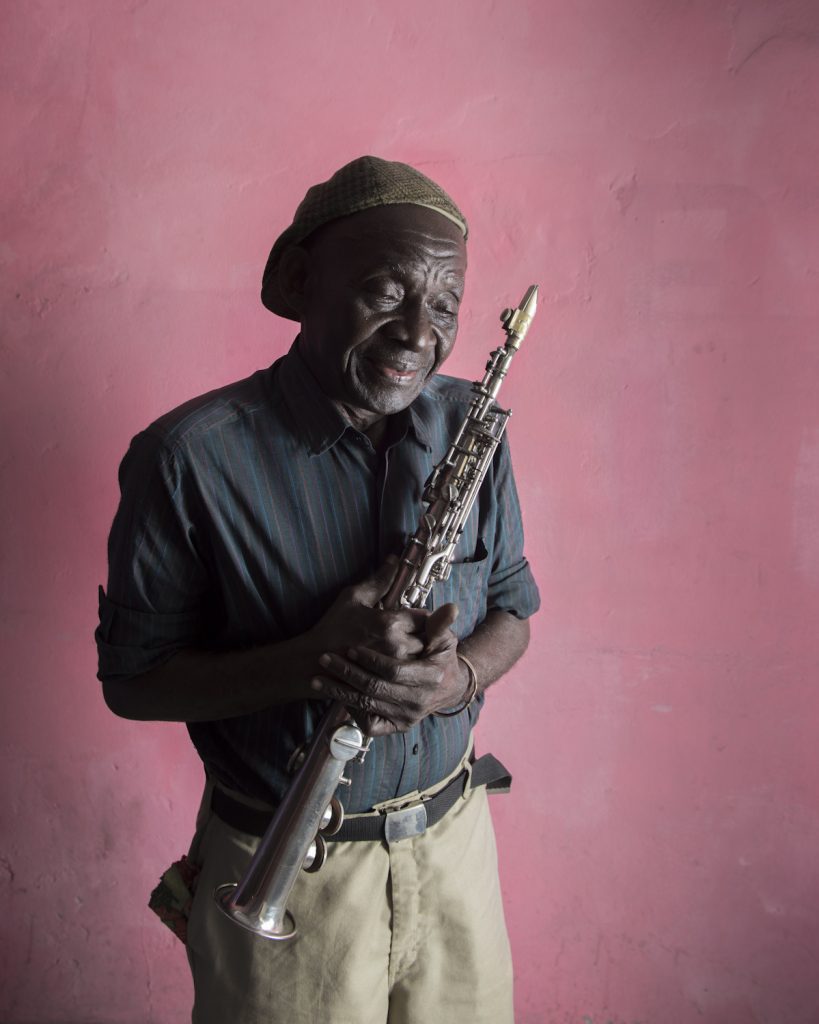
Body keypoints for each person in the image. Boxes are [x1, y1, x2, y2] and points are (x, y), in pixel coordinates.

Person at [96, 155, 540, 1024]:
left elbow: (515, 608)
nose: (420, 333)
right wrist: (312, 663)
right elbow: (132, 682)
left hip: (454, 852)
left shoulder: (470, 424)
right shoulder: (186, 458)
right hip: (283, 869)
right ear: (302, 283)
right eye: (385, 291)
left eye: (444, 305)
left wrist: (459, 680)